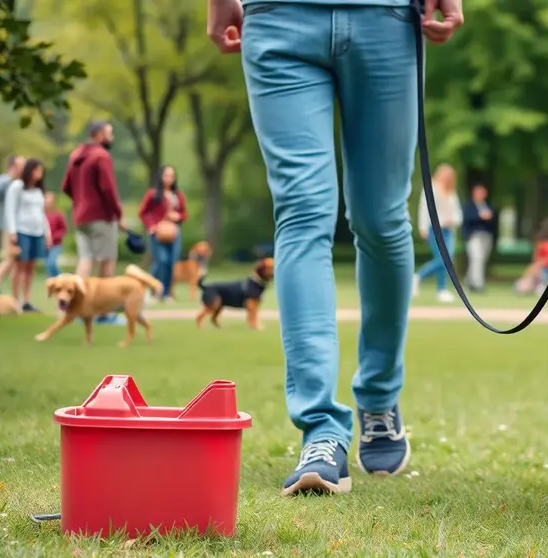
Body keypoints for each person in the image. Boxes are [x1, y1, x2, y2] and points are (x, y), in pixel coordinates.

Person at [207, 0, 464, 494]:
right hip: (278, 19)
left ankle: (378, 397)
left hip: (385, 18)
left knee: (383, 218)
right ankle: (321, 429)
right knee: (302, 214)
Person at [62, 121, 126, 324]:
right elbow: (108, 189)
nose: (112, 138)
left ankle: (78, 309)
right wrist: (118, 213)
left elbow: (66, 186)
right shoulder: (101, 156)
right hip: (101, 216)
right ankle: (104, 313)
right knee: (107, 261)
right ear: (99, 135)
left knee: (85, 260)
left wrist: (81, 200)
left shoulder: (76, 155)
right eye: (110, 133)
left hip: (81, 216)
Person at [3, 159, 51, 312]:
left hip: (36, 231)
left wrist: (47, 232)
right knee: (20, 266)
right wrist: (12, 231)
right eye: (37, 170)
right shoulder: (17, 187)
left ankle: (26, 300)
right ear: (30, 170)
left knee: (31, 266)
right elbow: (10, 209)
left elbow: (41, 213)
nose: (39, 174)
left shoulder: (38, 190)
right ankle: (15, 299)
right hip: (21, 230)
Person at [413, 164, 462, 303]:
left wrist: (454, 220)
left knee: (447, 259)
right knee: (443, 259)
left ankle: (441, 289)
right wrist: (422, 227)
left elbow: (457, 213)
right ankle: (419, 276)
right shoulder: (431, 188)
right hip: (434, 229)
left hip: (448, 230)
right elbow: (424, 209)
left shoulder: (451, 192)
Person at [139, 165, 187, 302]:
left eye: (172, 176)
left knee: (172, 262)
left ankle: (166, 293)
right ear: (161, 177)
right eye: (166, 175)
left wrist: (178, 217)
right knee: (161, 261)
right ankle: (154, 290)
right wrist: (151, 225)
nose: (169, 179)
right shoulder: (153, 194)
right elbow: (143, 212)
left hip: (174, 233)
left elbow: (184, 213)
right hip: (157, 233)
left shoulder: (177, 196)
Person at [0, 154, 25, 295]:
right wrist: (11, 177)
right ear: (12, 166)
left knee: (16, 262)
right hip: (7, 225)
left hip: (20, 226)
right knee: (10, 259)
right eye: (20, 165)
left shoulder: (22, 183)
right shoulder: (5, 180)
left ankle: (14, 295)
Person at [462, 184, 495, 292]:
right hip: (474, 235)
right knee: (477, 257)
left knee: (481, 259)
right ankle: (478, 284)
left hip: (486, 235)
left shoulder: (488, 205)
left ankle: (469, 280)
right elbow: (466, 218)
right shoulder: (469, 205)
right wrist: (480, 216)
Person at [514, 219, 548, 295]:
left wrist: (527, 274)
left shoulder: (542, 246)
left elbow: (541, 261)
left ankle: (526, 285)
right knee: (534, 270)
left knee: (534, 269)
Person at [45, 191, 68, 278]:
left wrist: (53, 238)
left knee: (51, 263)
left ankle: (62, 278)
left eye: (49, 199)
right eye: (46, 199)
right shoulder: (41, 215)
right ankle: (52, 284)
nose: (47, 201)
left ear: (54, 202)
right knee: (48, 266)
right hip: (45, 245)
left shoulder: (58, 214)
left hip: (56, 245)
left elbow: (63, 229)